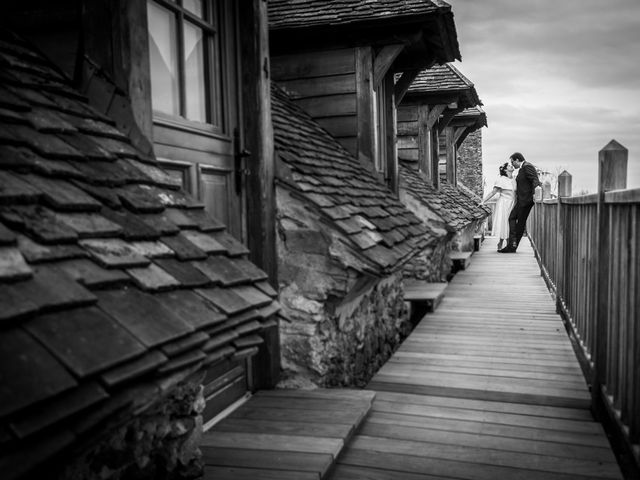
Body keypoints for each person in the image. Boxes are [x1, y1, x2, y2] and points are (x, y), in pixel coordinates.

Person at [499, 152, 541, 253]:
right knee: (519, 223)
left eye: (512, 161)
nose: (512, 164)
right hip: (523, 200)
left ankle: (512, 245)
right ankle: (512, 246)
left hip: (525, 200)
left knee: (514, 219)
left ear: (517, 160)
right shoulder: (523, 168)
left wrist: (535, 192)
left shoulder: (527, 166)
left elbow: (535, 179)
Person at [482, 162, 515, 250]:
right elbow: (493, 192)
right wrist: (483, 201)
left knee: (510, 223)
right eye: (509, 165)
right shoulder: (501, 180)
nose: (511, 165)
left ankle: (507, 243)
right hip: (504, 203)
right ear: (505, 170)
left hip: (512, 203)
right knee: (504, 222)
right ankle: (502, 243)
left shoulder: (514, 179)